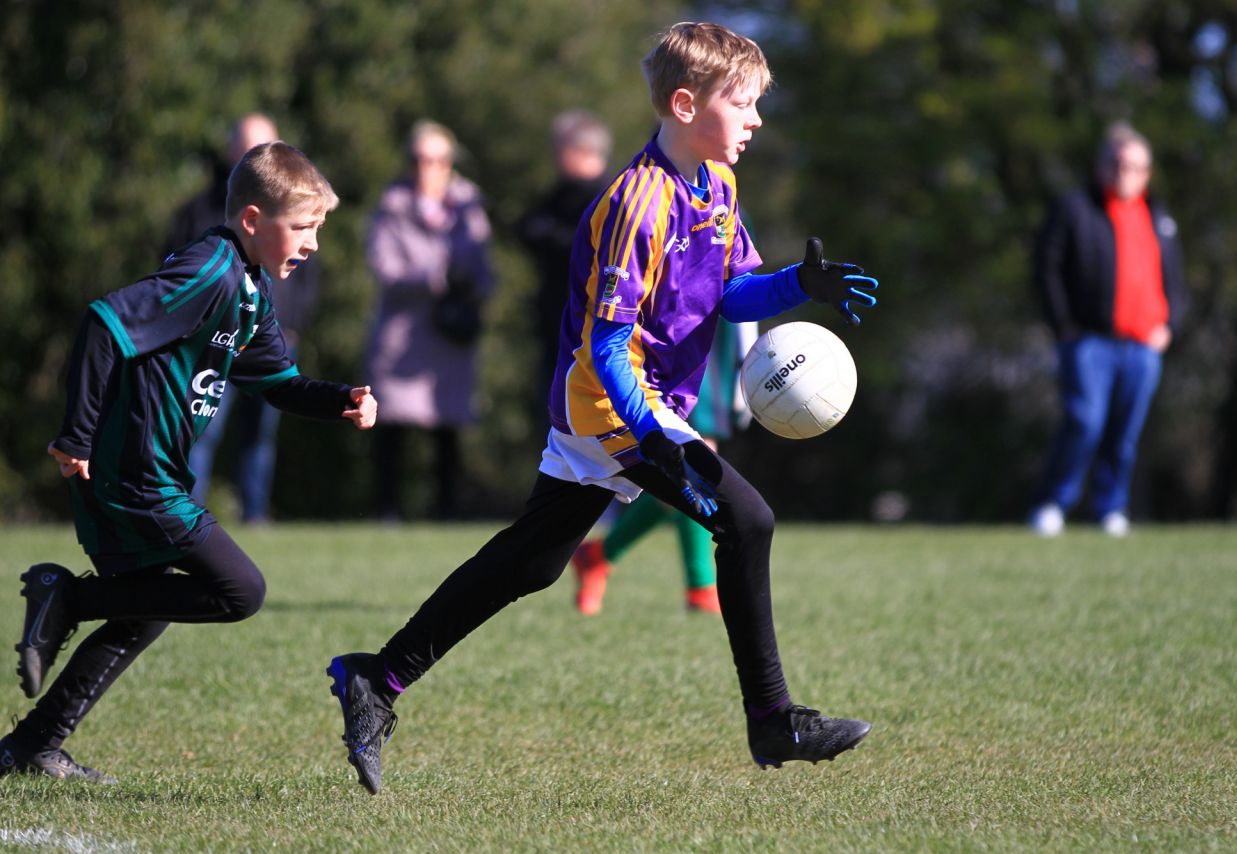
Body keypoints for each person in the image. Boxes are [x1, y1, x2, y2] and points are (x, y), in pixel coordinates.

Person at [325, 21, 882, 796]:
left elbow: (732, 291)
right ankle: (773, 718)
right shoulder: (637, 203)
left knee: (532, 560)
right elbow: (608, 344)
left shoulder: (715, 183)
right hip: (613, 404)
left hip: (635, 407)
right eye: (744, 103)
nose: (756, 120)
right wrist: (653, 436)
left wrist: (798, 287)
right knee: (746, 518)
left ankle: (373, 679)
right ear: (685, 105)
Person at [0, 142, 377, 783]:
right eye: (304, 227)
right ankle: (65, 597)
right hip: (131, 469)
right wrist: (78, 436)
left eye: (318, 229)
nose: (313, 243)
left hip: (151, 471)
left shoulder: (252, 291)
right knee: (240, 591)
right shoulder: (213, 268)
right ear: (254, 220)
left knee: (143, 612)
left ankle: (31, 746)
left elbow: (276, 382)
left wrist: (341, 399)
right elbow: (103, 322)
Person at [166, 113, 324, 524]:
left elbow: (307, 276)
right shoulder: (199, 211)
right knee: (201, 430)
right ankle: (187, 514)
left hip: (273, 337)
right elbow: (169, 279)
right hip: (210, 345)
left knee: (260, 435)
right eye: (250, 147)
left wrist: (291, 324)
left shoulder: (293, 216)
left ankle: (255, 515)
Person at [1029, 122, 1184, 537]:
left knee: (1124, 434)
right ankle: (1052, 505)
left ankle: (1110, 509)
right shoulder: (1075, 208)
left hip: (1143, 346)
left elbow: (1174, 279)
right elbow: (1047, 269)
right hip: (1089, 341)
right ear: (1101, 166)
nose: (1125, 173)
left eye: (1135, 167)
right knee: (1085, 422)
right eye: (1117, 164)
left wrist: (1170, 324)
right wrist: (1064, 326)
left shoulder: (1158, 215)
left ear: (1147, 173)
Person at [571, 317, 757, 615]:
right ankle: (700, 586)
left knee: (684, 473)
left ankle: (599, 556)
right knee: (694, 459)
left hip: (715, 332)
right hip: (678, 324)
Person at [364, 121, 494, 521]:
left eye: (438, 160)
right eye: (421, 159)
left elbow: (485, 268)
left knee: (447, 427)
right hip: (403, 333)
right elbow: (384, 266)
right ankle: (387, 510)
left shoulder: (469, 206)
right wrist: (431, 278)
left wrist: (468, 285)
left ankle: (447, 510)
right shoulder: (392, 206)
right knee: (391, 425)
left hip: (449, 333)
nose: (429, 168)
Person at [517, 110, 614, 403]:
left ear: (581, 151)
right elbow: (528, 228)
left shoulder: (607, 197)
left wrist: (552, 238)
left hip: (589, 327)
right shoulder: (561, 193)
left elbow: (581, 248)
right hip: (554, 323)